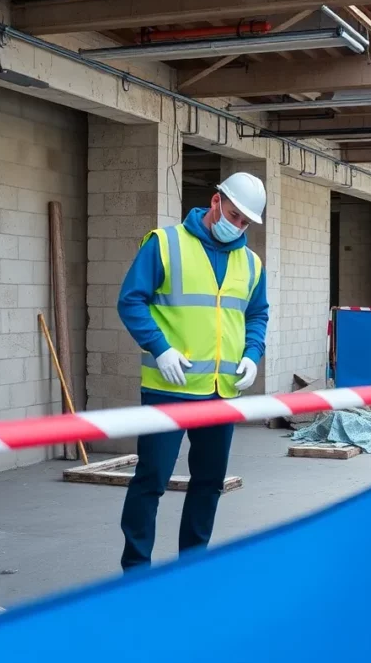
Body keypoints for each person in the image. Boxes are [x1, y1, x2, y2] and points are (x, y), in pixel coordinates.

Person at [116, 172, 269, 571]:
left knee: (208, 483)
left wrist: (253, 352)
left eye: (244, 222)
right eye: (233, 215)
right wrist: (159, 347)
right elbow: (131, 300)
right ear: (215, 201)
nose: (236, 226)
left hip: (222, 392)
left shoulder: (251, 263)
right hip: (170, 387)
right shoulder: (165, 244)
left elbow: (257, 314)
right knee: (151, 481)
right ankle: (135, 572)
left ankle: (192, 569)